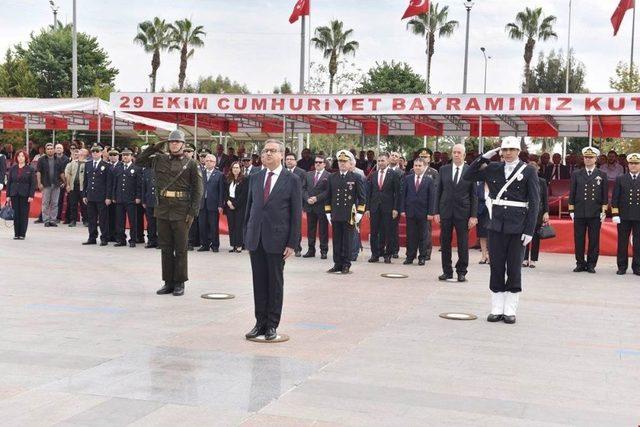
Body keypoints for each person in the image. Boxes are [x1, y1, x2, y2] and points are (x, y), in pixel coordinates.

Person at [464, 137, 540, 324]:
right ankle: (497, 308)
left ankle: (510, 310)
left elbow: (535, 202)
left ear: (518, 151)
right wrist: (485, 156)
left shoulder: (528, 170)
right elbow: (469, 174)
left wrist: (530, 230)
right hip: (496, 225)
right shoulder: (493, 168)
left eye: (511, 150)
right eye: (504, 150)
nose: (507, 153)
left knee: (514, 267)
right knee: (496, 266)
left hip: (518, 226)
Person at [244, 139, 302, 341]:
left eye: (272, 151)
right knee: (258, 282)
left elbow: (296, 213)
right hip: (256, 238)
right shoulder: (255, 177)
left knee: (275, 284)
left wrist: (292, 243)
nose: (267, 154)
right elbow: (250, 208)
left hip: (278, 239)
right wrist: (247, 233)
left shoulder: (291, 179)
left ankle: (272, 325)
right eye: (265, 150)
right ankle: (259, 323)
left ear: (281, 155)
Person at [136, 130, 203, 296]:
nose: (174, 144)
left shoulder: (191, 164)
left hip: (182, 210)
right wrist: (154, 146)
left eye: (177, 142)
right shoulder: (159, 159)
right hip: (163, 209)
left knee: (180, 248)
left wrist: (193, 212)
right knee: (165, 248)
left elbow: (198, 190)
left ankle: (180, 282)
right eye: (171, 142)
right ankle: (168, 282)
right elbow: (139, 161)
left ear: (182, 144)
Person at [434, 144, 478, 282]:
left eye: (459, 152)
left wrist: (474, 215)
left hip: (463, 212)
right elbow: (438, 191)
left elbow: (474, 195)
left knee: (463, 243)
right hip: (445, 211)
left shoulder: (470, 171)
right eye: (454, 152)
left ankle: (461, 271)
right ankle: (447, 271)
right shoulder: (443, 169)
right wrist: (436, 212)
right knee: (445, 243)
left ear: (464, 155)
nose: (456, 154)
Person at [324, 150, 366, 274]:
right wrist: (328, 212)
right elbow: (328, 196)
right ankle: (337, 264)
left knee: (347, 241)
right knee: (336, 240)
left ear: (350, 163)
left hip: (349, 215)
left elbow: (362, 197)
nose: (342, 164)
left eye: (345, 161)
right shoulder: (332, 177)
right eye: (340, 161)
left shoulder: (356, 177)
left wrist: (359, 213)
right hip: (336, 214)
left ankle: (346, 264)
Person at [568, 146, 608, 273]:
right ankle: (580, 263)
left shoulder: (602, 174)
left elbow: (604, 195)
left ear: (596, 159)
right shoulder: (576, 174)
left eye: (591, 157)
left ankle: (591, 264)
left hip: (595, 212)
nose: (588, 159)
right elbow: (572, 193)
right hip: (579, 211)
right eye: (586, 157)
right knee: (579, 239)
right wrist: (571, 210)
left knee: (594, 240)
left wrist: (603, 211)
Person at [365, 153, 401, 264]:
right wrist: (367, 208)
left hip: (388, 207)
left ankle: (388, 255)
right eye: (379, 160)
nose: (380, 162)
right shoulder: (374, 174)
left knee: (388, 231)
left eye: (383, 160)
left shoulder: (394, 174)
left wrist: (395, 208)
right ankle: (375, 254)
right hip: (375, 207)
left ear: (388, 161)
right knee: (374, 232)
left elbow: (397, 193)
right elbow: (369, 192)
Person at [401, 157, 435, 265]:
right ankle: (410, 257)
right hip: (410, 211)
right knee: (411, 235)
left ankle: (422, 257)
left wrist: (431, 213)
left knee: (423, 236)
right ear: (413, 167)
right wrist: (402, 209)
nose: (417, 167)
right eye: (416, 165)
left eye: (420, 165)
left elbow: (432, 197)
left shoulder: (429, 180)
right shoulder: (408, 178)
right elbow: (403, 195)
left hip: (424, 213)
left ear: (424, 167)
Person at [611, 153, 640, 276]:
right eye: (631, 163)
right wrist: (615, 214)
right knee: (622, 242)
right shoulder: (621, 179)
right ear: (628, 165)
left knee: (638, 243)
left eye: (636, 163)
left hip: (639, 216)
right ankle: (622, 266)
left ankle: (637, 267)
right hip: (624, 216)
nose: (633, 165)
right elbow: (615, 198)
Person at [110, 148, 142, 248]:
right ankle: (121, 239)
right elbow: (115, 184)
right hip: (120, 198)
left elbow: (138, 185)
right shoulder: (118, 168)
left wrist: (138, 197)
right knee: (120, 220)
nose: (125, 157)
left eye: (127, 155)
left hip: (131, 199)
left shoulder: (136, 168)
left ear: (131, 156)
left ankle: (133, 239)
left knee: (133, 221)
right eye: (123, 155)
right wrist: (114, 196)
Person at [301, 154, 330, 259]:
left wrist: (316, 198)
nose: (317, 164)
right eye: (316, 162)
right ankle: (311, 250)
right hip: (310, 206)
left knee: (323, 230)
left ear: (324, 164)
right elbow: (303, 188)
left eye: (320, 162)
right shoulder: (308, 174)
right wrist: (307, 198)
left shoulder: (328, 176)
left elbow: (328, 191)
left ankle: (324, 251)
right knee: (311, 230)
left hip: (321, 206)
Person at [83, 145, 112, 246]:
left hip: (102, 197)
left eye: (97, 151)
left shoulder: (106, 165)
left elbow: (109, 183)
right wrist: (84, 195)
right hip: (90, 196)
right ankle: (92, 237)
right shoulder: (88, 164)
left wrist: (108, 197)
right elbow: (86, 181)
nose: (95, 153)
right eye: (93, 151)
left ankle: (104, 238)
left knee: (103, 219)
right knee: (92, 219)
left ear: (101, 153)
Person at [523, 161, 550, 268]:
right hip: (525, 211)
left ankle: (533, 259)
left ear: (538, 169)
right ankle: (524, 258)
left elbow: (545, 198)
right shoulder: (523, 180)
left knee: (535, 237)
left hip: (538, 211)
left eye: (534, 168)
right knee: (524, 235)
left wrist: (546, 212)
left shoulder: (542, 181)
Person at [6, 150, 36, 239]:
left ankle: (22, 234)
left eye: (22, 156)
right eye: (19, 156)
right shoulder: (13, 168)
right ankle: (16, 233)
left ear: (25, 158)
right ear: (16, 158)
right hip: (14, 193)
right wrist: (8, 195)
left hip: (25, 194)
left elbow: (33, 183)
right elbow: (9, 182)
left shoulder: (30, 169)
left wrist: (31, 195)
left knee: (23, 214)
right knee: (16, 214)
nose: (21, 158)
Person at [198, 154, 225, 252]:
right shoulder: (200, 173)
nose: (208, 162)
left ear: (215, 163)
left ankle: (215, 245)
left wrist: (220, 205)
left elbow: (221, 191)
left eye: (211, 161)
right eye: (207, 160)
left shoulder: (219, 174)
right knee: (202, 226)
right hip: (201, 203)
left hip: (213, 204)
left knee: (213, 226)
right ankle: (204, 245)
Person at [36, 143, 65, 227]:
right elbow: (38, 172)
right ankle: (46, 220)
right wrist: (39, 183)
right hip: (45, 184)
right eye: (48, 149)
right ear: (45, 150)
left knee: (55, 203)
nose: (50, 150)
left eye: (51, 148)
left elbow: (61, 172)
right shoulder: (41, 159)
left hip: (56, 184)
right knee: (45, 203)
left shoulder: (58, 160)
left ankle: (53, 220)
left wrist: (65, 182)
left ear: (54, 150)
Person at [285, 153, 307, 257]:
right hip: (284, 203)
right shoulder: (282, 171)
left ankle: (297, 248)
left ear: (295, 161)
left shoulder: (301, 172)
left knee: (296, 225)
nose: (289, 161)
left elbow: (302, 188)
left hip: (296, 202)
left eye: (291, 159)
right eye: (287, 159)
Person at [224, 161, 248, 252]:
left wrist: (235, 205)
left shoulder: (244, 179)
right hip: (229, 204)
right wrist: (228, 202)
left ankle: (239, 245)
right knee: (231, 226)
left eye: (237, 168)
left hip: (240, 206)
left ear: (240, 169)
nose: (235, 169)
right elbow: (225, 192)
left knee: (239, 226)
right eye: (234, 168)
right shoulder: (228, 178)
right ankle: (233, 245)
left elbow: (244, 194)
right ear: (231, 169)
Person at [64, 148, 87, 227]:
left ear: (85, 154)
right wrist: (68, 185)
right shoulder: (72, 163)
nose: (80, 153)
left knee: (84, 204)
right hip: (73, 186)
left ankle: (86, 220)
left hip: (83, 187)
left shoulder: (87, 163)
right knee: (73, 204)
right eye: (80, 152)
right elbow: (67, 174)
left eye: (82, 152)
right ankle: (73, 220)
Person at [141, 162, 158, 249]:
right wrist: (143, 201)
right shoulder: (146, 171)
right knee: (150, 223)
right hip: (149, 200)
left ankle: (160, 242)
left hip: (159, 201)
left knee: (159, 223)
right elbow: (143, 187)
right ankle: (151, 240)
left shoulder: (163, 170)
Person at [476, 181, 491, 265]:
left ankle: (490, 256)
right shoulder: (479, 185)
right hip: (481, 212)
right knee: (482, 235)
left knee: (490, 235)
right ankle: (483, 256)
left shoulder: (494, 184)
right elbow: (475, 199)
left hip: (491, 213)